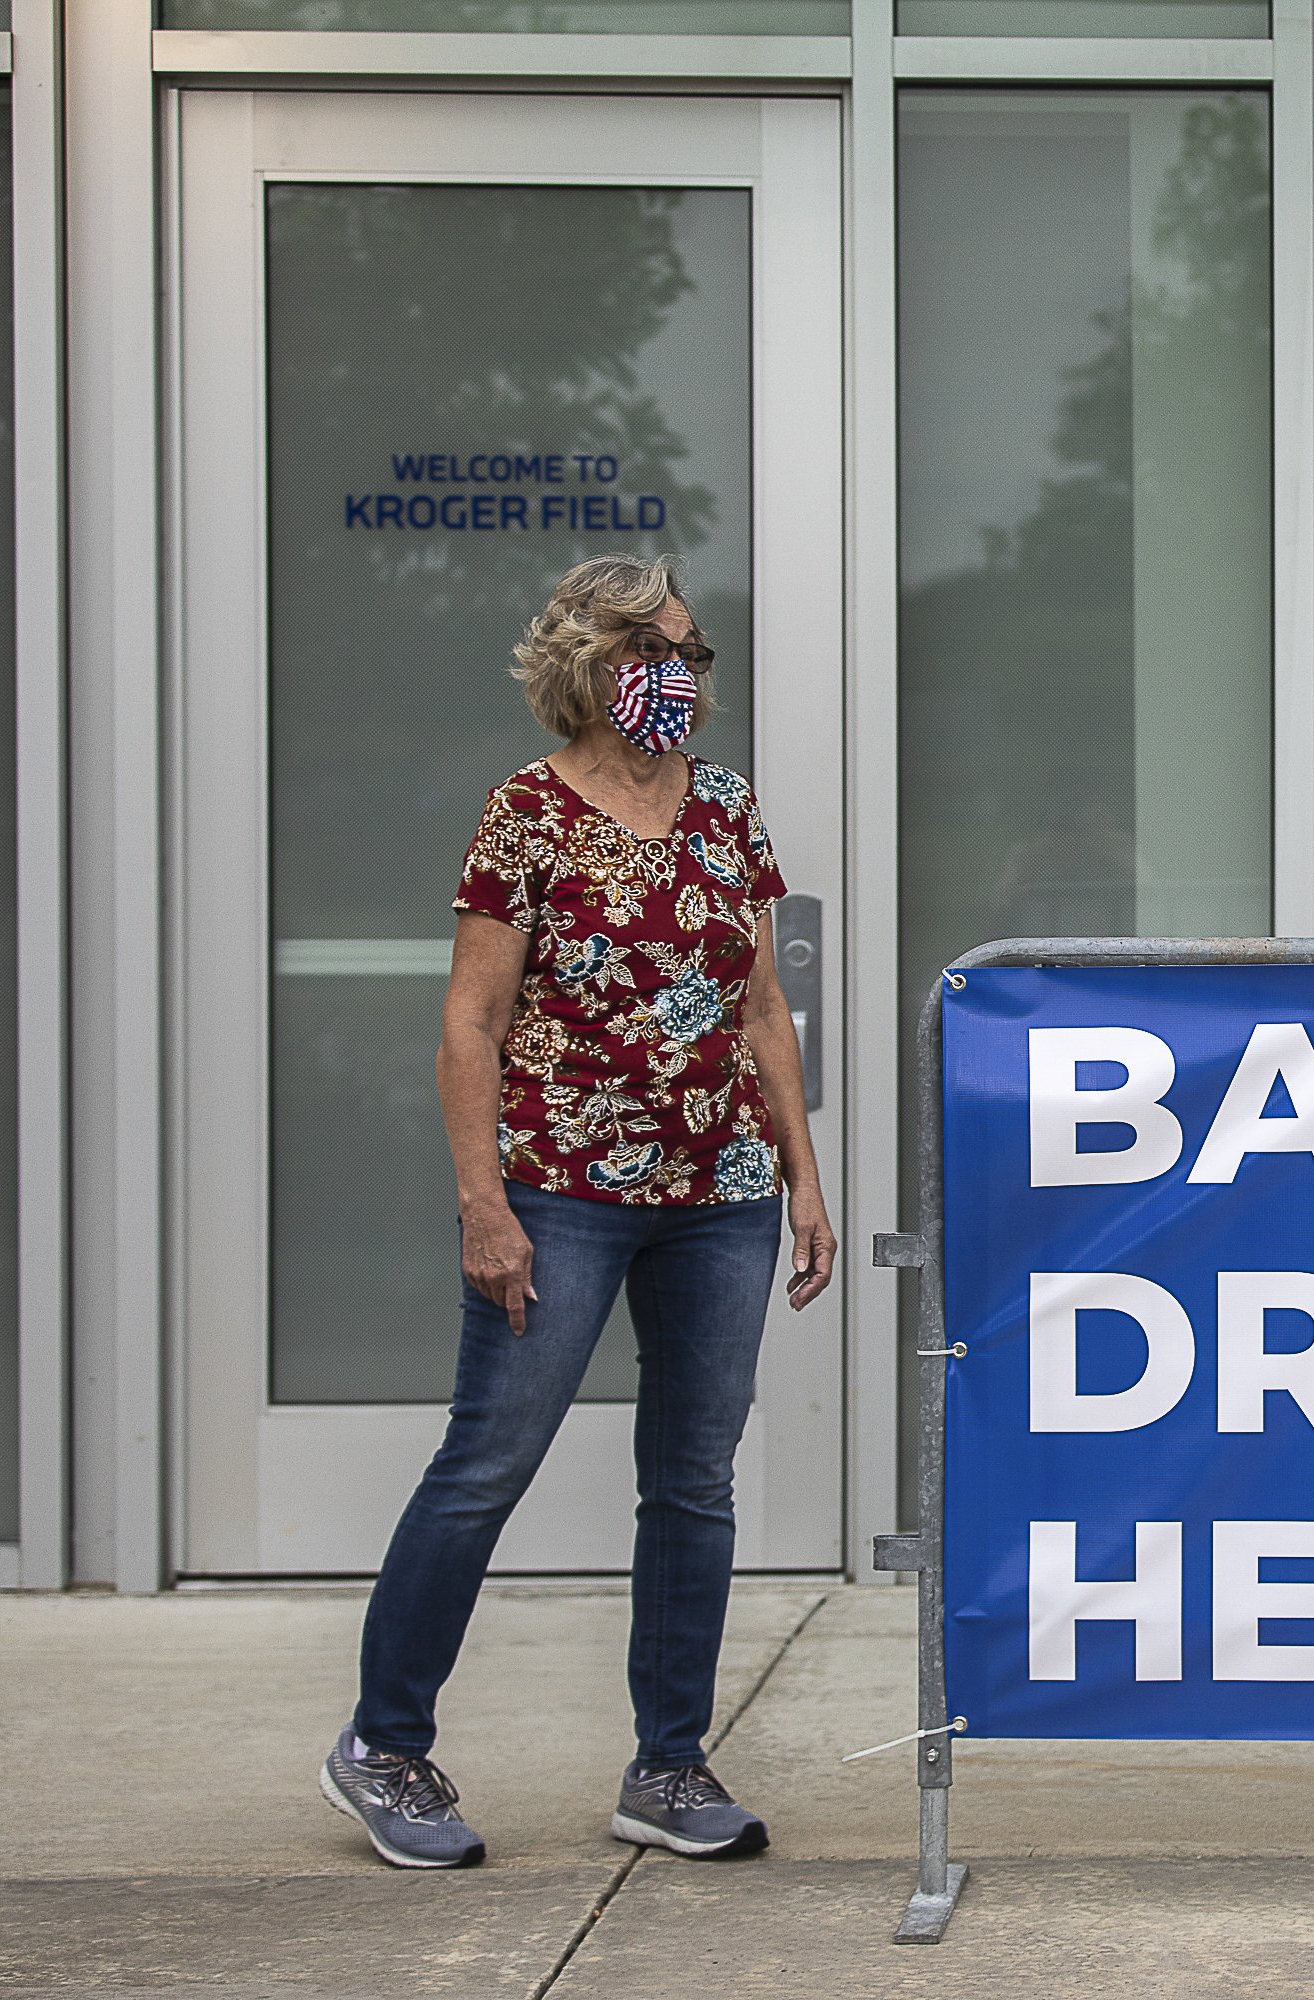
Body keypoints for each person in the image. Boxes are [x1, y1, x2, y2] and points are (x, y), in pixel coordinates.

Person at [317, 553, 836, 1869]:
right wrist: (482, 1202)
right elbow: (471, 1020)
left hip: (717, 1194)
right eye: (657, 650)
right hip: (562, 1193)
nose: (684, 674)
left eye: (695, 651)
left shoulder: (728, 809)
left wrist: (802, 1173)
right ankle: (385, 1746)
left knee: (694, 1483)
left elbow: (760, 1002)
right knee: (486, 1462)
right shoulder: (527, 816)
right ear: (592, 668)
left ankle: (669, 1768)